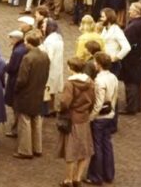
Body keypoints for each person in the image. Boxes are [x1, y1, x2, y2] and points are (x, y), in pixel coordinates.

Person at [57, 57, 96, 187]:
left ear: (71, 68)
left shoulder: (70, 84)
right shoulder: (90, 82)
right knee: (84, 150)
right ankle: (77, 178)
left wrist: (60, 109)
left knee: (71, 151)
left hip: (72, 119)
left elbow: (65, 102)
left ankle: (68, 179)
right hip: (84, 118)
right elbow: (93, 99)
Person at [14, 32, 50, 159]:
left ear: (30, 43)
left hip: (26, 93)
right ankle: (37, 148)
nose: (24, 43)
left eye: (26, 42)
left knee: (25, 121)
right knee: (37, 119)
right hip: (39, 91)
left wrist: (16, 89)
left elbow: (22, 79)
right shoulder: (45, 56)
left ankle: (25, 150)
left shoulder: (27, 58)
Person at [85, 52, 118, 185]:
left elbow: (98, 103)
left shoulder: (99, 80)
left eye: (95, 61)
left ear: (98, 64)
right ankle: (108, 174)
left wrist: (91, 117)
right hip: (110, 115)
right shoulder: (113, 77)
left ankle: (96, 176)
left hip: (100, 118)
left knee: (97, 147)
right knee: (107, 145)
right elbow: (115, 96)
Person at [119, 3, 141, 115]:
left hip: (131, 59)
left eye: (131, 10)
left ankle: (131, 107)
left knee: (130, 83)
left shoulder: (133, 26)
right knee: (137, 82)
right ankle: (137, 105)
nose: (129, 12)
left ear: (136, 12)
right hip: (139, 57)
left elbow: (128, 43)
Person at [4, 30, 26, 137]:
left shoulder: (17, 51)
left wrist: (6, 65)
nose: (10, 40)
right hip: (17, 77)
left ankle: (16, 128)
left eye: (11, 38)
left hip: (14, 80)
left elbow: (12, 68)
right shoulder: (22, 48)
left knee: (15, 106)